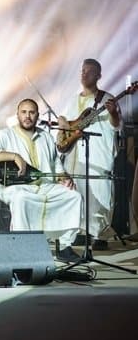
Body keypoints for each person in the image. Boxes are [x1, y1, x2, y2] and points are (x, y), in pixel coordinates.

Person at [0, 98, 82, 261]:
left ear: (37, 115)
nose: (27, 116)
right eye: (24, 112)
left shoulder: (46, 137)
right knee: (21, 198)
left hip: (45, 185)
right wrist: (14, 156)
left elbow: (56, 165)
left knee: (73, 196)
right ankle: (22, 248)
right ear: (17, 114)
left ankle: (64, 246)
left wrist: (63, 177)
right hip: (17, 186)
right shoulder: (6, 134)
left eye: (31, 112)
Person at [58, 58, 122, 249]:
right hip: (75, 155)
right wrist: (63, 126)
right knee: (78, 192)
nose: (84, 74)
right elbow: (65, 124)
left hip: (97, 154)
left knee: (99, 192)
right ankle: (81, 231)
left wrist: (113, 113)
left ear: (98, 76)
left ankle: (100, 234)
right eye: (82, 70)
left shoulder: (107, 98)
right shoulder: (73, 100)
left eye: (89, 71)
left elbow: (117, 126)